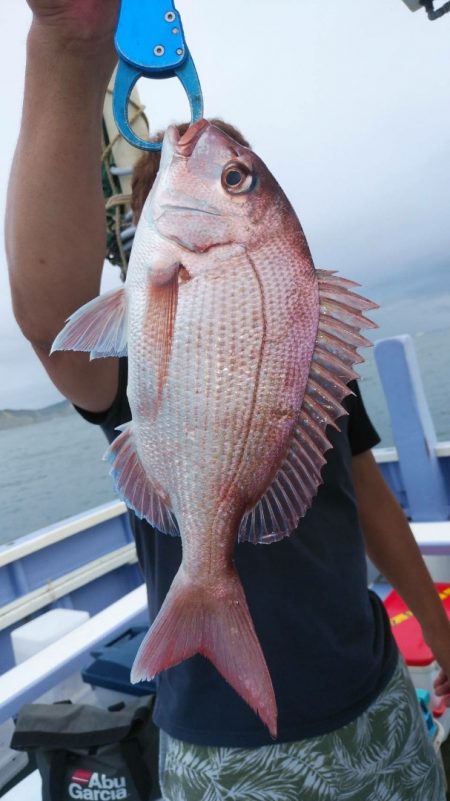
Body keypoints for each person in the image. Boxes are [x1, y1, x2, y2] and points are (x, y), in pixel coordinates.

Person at [6, 2, 450, 799]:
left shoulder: (302, 344)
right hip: (221, 744)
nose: (192, 161)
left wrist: (443, 640)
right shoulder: (133, 346)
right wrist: (69, 43)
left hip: (375, 692)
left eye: (235, 177)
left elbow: (372, 499)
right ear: (137, 230)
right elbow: (48, 321)